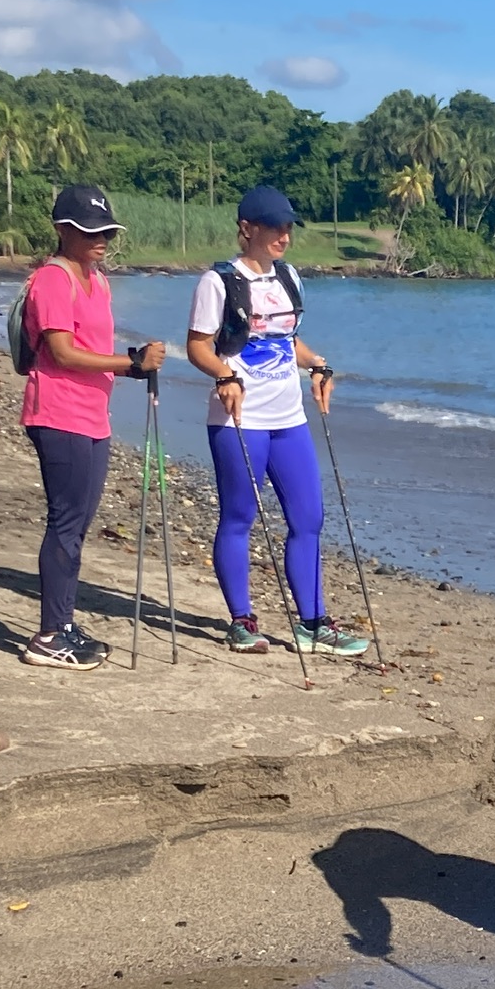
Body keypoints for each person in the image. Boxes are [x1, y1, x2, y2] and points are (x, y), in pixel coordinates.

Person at [183, 185, 369, 658]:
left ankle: (313, 624)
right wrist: (225, 373)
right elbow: (199, 345)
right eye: (274, 228)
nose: (284, 236)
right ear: (248, 229)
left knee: (309, 518)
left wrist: (320, 365)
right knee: (241, 517)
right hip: (238, 419)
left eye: (288, 228)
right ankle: (242, 621)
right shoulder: (218, 281)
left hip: (289, 418)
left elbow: (289, 342)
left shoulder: (288, 277)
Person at [18, 184, 164, 669]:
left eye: (106, 230)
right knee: (65, 523)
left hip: (92, 415)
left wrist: (131, 359)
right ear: (63, 230)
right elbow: (61, 352)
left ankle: (62, 623)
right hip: (58, 413)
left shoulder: (97, 279)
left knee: (78, 525)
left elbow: (95, 342)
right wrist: (130, 363)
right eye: (89, 231)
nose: (100, 239)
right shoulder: (52, 280)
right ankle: (48, 635)